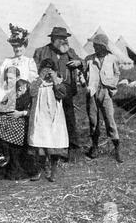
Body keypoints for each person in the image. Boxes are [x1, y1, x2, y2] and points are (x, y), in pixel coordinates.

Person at [33, 27, 85, 161]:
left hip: (65, 90)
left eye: (66, 38)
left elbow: (82, 61)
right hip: (48, 90)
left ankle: (73, 149)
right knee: (49, 120)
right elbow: (34, 70)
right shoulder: (41, 52)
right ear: (53, 40)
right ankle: (50, 150)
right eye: (61, 38)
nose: (65, 41)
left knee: (69, 118)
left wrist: (79, 62)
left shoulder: (70, 51)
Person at [84, 34, 122, 163]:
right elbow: (83, 74)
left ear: (103, 47)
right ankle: (95, 147)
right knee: (93, 120)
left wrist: (112, 85)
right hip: (92, 92)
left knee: (109, 120)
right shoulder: (89, 59)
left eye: (97, 45)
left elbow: (117, 73)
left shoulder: (112, 59)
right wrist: (86, 85)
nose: (95, 47)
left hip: (106, 92)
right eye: (94, 45)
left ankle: (117, 148)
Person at [28, 59, 68, 182]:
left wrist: (55, 79)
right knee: (40, 143)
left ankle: (53, 170)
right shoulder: (37, 82)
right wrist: (41, 78)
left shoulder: (58, 83)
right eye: (45, 69)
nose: (47, 72)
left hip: (54, 117)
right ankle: (40, 169)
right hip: (40, 116)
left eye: (50, 70)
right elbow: (32, 92)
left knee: (54, 143)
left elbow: (62, 94)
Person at [0, 67, 31, 180]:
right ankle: (1, 163)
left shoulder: (25, 92)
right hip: (1, 119)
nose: (9, 81)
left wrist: (21, 113)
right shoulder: (1, 90)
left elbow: (31, 109)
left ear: (17, 78)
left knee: (12, 143)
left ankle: (13, 169)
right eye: (7, 78)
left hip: (18, 123)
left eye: (11, 78)